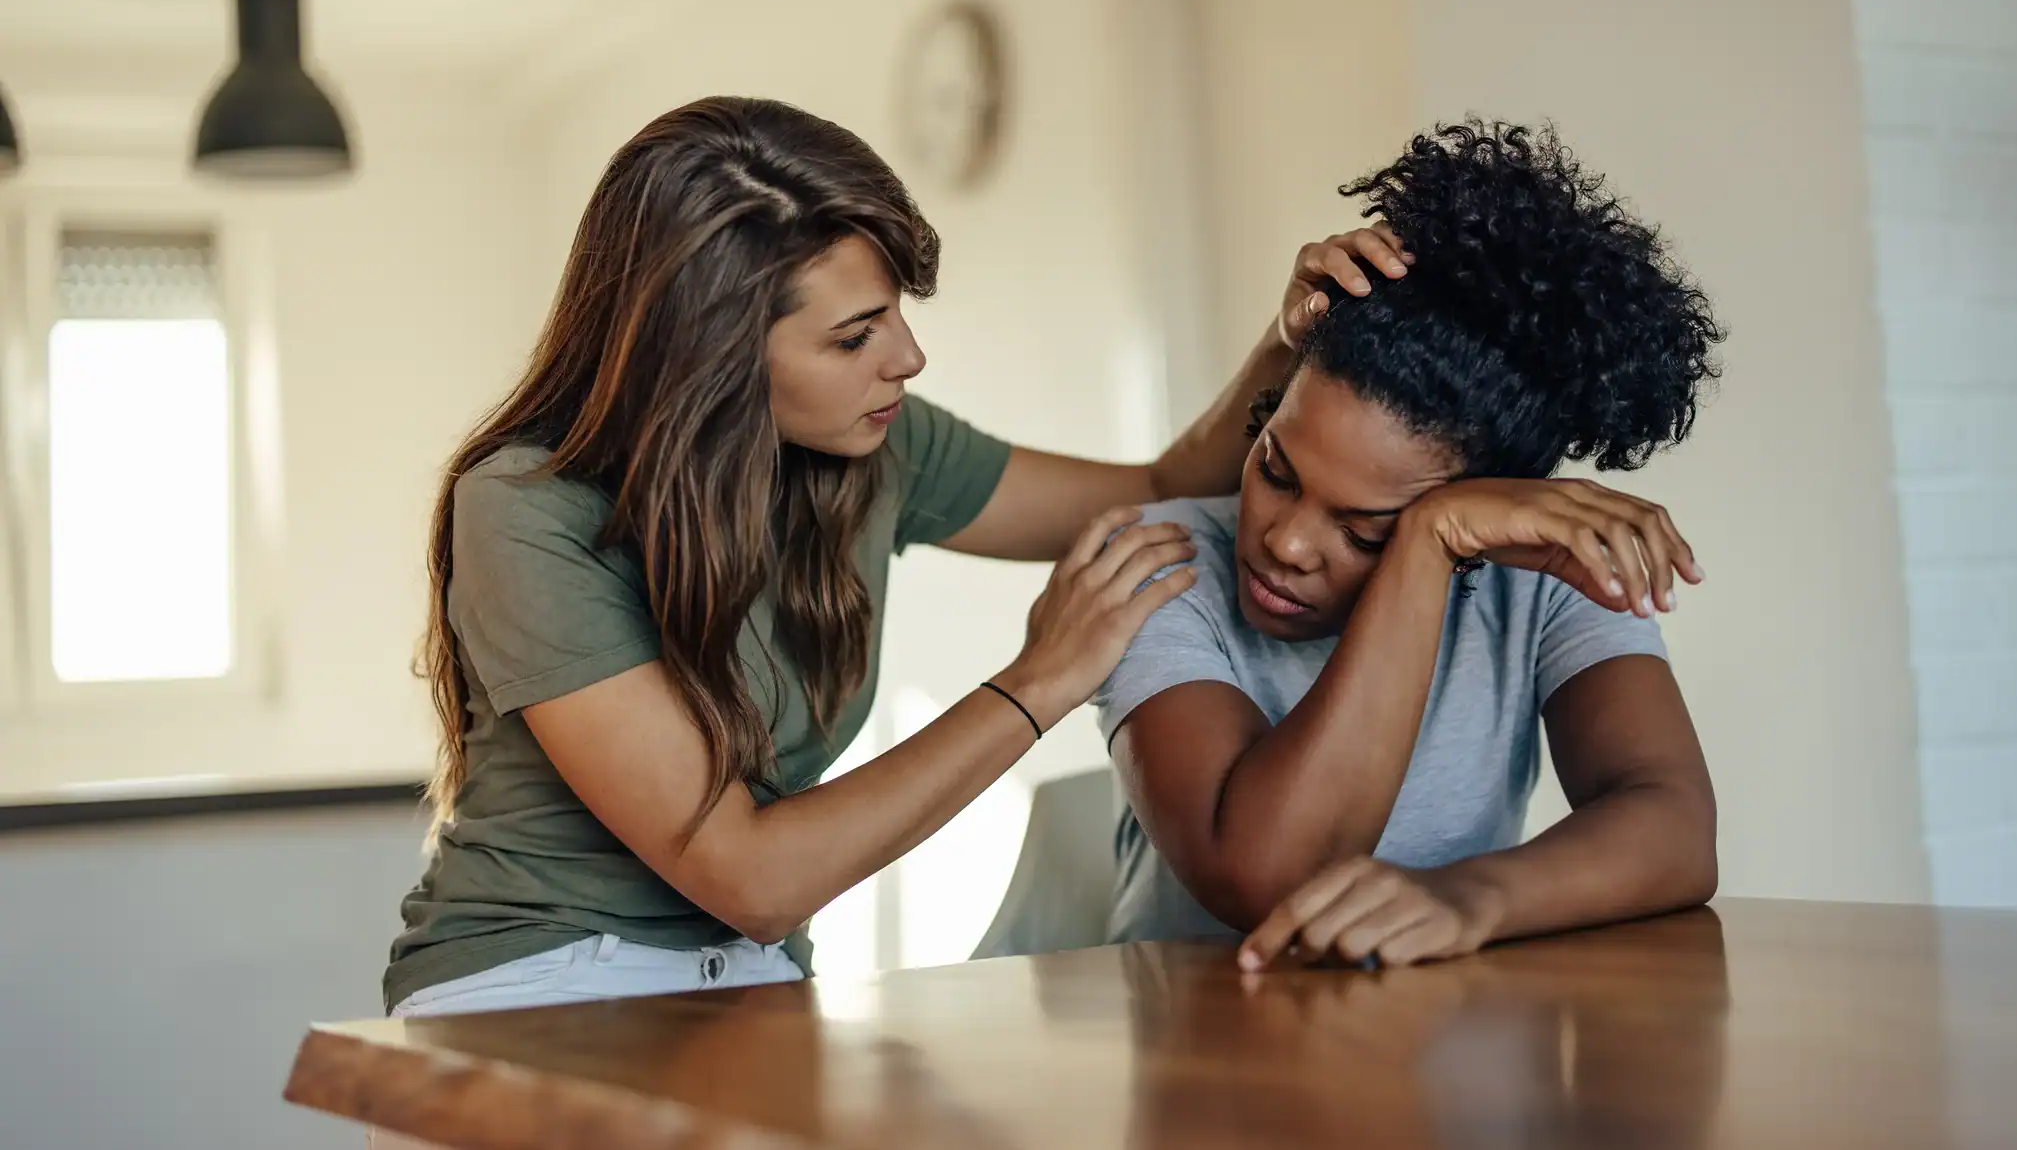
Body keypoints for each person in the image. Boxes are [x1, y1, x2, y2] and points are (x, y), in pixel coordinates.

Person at [380, 96, 1411, 1018]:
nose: (907, 358)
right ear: (710, 357)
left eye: (896, 318)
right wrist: (1041, 679)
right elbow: (750, 878)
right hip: (540, 978)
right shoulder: (526, 512)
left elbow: (1159, 485)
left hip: (756, 982)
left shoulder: (875, 448)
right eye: (854, 337)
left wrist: (1288, 341)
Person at [1097, 120, 1725, 972]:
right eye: (1275, 469)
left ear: (1494, 509)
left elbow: (1673, 824)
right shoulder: (1156, 562)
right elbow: (1266, 874)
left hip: (1443, 1031)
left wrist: (1472, 897)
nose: (1286, 542)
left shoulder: (1537, 575)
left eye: (1366, 530)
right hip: (1209, 1037)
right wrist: (1422, 541)